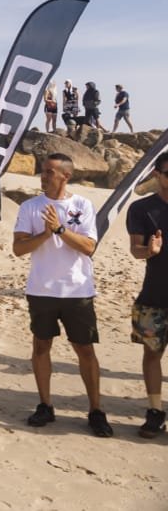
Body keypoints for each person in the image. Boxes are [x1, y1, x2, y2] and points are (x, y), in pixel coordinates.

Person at [12, 153, 112, 437]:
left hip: (77, 291)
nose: (43, 176)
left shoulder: (82, 205)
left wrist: (59, 229)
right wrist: (45, 235)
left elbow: (89, 247)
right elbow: (18, 248)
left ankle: (95, 410)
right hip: (41, 290)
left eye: (49, 172)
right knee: (41, 347)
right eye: (43, 171)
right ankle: (45, 405)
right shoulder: (31, 207)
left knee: (85, 349)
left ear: (65, 176)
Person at [125, 151, 168, 438]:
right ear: (156, 175)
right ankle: (154, 411)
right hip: (155, 297)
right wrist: (149, 252)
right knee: (152, 354)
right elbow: (135, 249)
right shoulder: (142, 209)